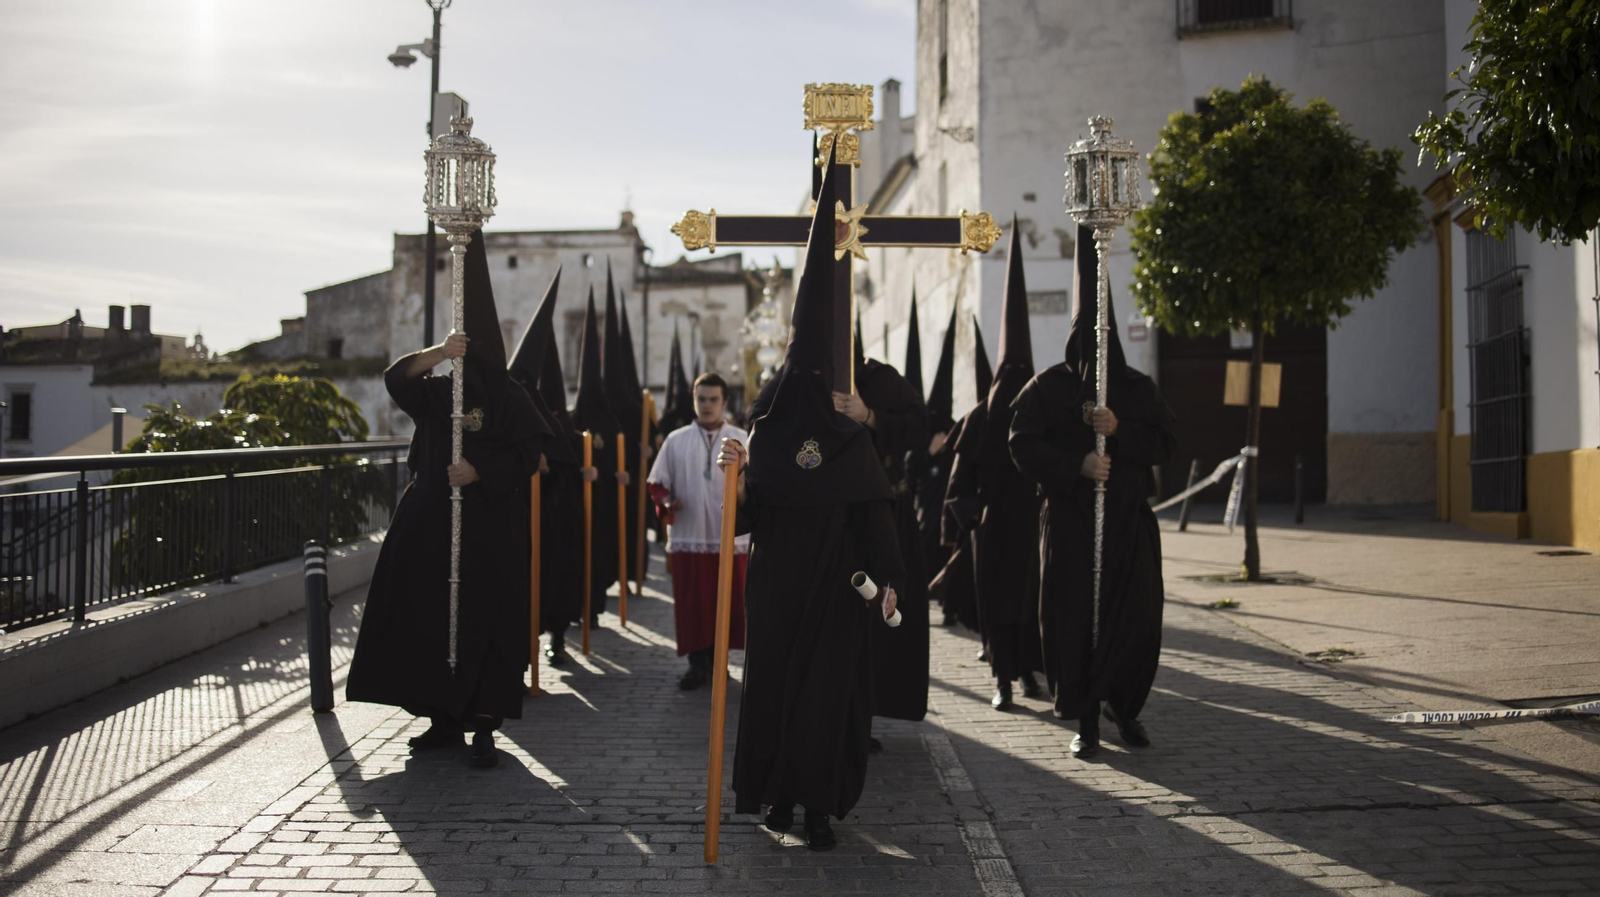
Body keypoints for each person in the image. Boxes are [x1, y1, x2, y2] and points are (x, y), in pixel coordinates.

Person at [726, 153, 903, 852]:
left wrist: (889, 581)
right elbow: (744, 519)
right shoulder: (766, 439)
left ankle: (821, 806)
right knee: (773, 691)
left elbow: (874, 514)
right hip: (777, 590)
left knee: (828, 699)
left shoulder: (853, 441)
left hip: (836, 589)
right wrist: (731, 474)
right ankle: (777, 797)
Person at [347, 229, 549, 769]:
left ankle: (484, 723)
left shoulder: (510, 397)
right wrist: (440, 351)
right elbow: (396, 380)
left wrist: (479, 470)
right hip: (435, 523)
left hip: (491, 527)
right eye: (466, 350)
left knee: (487, 621)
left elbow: (530, 455)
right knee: (429, 617)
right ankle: (442, 718)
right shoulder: (441, 390)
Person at [1010, 225, 1176, 759]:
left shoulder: (1136, 390)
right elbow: (1020, 442)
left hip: (1127, 521)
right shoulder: (1047, 387)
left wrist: (1121, 429)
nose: (1095, 355)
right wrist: (1075, 463)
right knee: (1073, 619)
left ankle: (1124, 706)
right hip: (1070, 523)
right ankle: (1084, 715)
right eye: (1088, 343)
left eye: (1104, 343)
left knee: (1136, 616)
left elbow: (1168, 442)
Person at [943, 219, 1045, 711]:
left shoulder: (1043, 412)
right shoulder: (980, 420)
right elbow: (957, 485)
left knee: (1035, 606)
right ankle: (1003, 679)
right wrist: (975, 519)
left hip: (1037, 527)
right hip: (995, 529)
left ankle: (1028, 672)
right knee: (1000, 608)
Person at [507, 267, 600, 668]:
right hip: (515, 517)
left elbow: (570, 464)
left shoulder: (559, 420)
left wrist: (565, 470)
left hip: (555, 519)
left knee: (557, 577)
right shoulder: (508, 409)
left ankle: (557, 637)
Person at [843, 310, 930, 727]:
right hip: (830, 523)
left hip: (886, 518)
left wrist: (869, 416)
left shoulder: (882, 380)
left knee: (881, 615)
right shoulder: (802, 384)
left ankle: (868, 712)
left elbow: (919, 426)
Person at [646, 372, 749, 690]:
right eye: (701, 399)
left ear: (724, 402)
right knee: (695, 603)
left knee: (728, 604)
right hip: (690, 537)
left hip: (732, 538)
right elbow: (657, 483)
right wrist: (668, 502)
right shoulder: (675, 440)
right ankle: (698, 665)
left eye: (713, 399)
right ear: (694, 401)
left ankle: (720, 664)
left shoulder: (742, 438)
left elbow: (757, 485)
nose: (707, 405)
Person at [570, 287, 630, 627]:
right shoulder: (571, 420)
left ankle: (594, 607)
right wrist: (580, 473)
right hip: (576, 506)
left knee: (602, 554)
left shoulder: (611, 423)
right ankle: (580, 609)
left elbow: (619, 462)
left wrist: (619, 476)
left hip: (605, 504)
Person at [912, 303, 960, 621]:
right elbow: (910, 467)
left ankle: (950, 607)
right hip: (925, 507)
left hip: (949, 503)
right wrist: (928, 451)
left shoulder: (955, 427)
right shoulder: (921, 431)